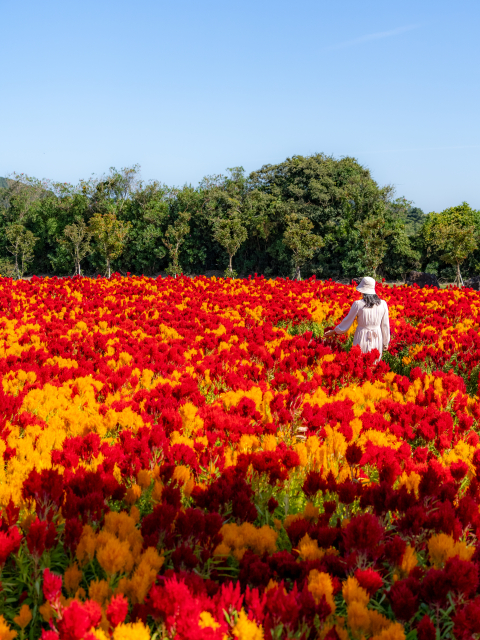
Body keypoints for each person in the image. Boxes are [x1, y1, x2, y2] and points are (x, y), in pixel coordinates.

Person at [324, 276, 390, 358]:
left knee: (359, 361)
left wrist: (334, 331)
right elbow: (385, 325)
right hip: (377, 337)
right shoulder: (383, 304)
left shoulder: (358, 304)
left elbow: (347, 322)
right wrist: (385, 342)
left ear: (363, 290)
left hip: (361, 336)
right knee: (374, 363)